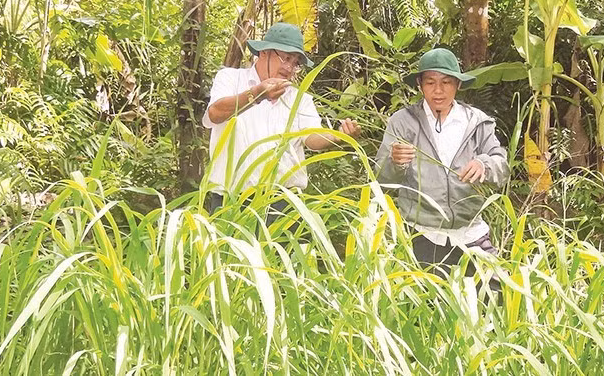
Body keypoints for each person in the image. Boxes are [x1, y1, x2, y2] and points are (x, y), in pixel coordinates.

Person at [202, 22, 360, 224]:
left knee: (280, 256)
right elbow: (216, 113)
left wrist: (340, 136)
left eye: (295, 63)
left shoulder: (299, 99)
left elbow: (312, 138)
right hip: (231, 200)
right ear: (264, 52)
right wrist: (257, 94)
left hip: (283, 205)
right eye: (285, 57)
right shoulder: (231, 79)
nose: (289, 67)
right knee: (229, 256)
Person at [375, 48, 509, 278]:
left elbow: (502, 166)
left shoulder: (476, 122)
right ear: (420, 84)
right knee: (427, 308)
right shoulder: (403, 122)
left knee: (495, 297)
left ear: (458, 84)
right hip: (422, 235)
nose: (438, 90)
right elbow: (381, 179)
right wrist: (395, 162)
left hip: (471, 233)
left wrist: (483, 164)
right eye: (430, 82)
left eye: (446, 82)